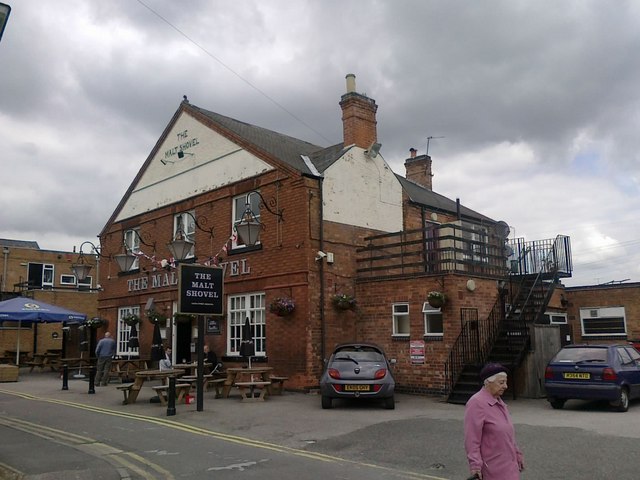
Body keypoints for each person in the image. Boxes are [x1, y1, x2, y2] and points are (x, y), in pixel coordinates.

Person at [464, 363, 524, 480]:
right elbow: (471, 440)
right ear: (488, 383)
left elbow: (508, 436)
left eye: (505, 382)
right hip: (493, 470)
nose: (505, 386)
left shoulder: (500, 403)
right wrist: (475, 465)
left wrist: (517, 454)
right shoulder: (476, 403)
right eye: (501, 382)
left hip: (509, 467)